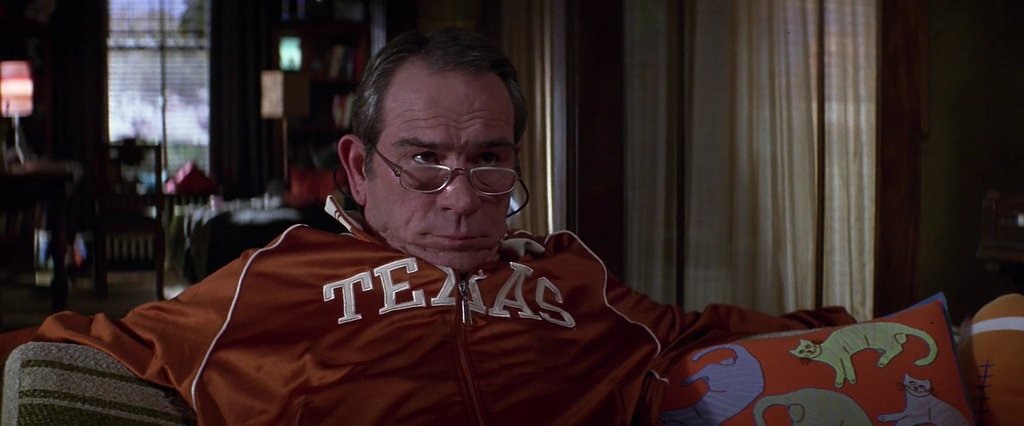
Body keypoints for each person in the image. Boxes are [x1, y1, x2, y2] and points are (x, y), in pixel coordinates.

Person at [0, 28, 854, 424]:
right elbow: (75, 343)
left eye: (488, 159)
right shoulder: (270, 280)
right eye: (423, 161)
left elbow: (719, 337)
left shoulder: (576, 281)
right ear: (359, 168)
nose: (460, 198)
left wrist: (906, 339)